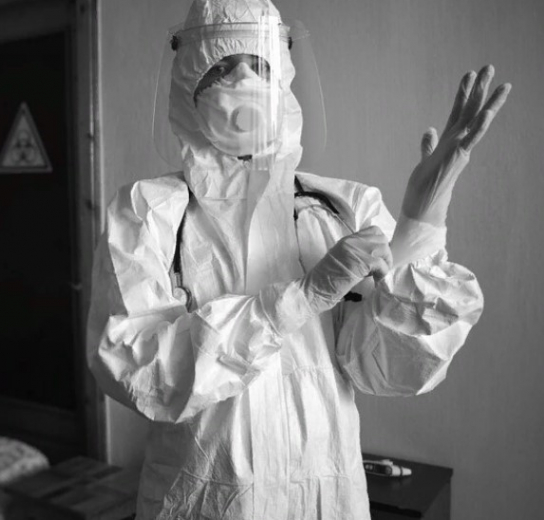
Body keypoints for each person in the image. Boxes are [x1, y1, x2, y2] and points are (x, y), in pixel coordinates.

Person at [86, 0, 511, 518]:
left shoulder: (345, 207)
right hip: (204, 502)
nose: (244, 81)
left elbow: (386, 369)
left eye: (260, 66)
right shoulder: (147, 211)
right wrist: (297, 300)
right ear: (186, 85)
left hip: (324, 497)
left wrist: (421, 222)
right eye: (221, 67)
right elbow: (137, 370)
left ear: (284, 81)